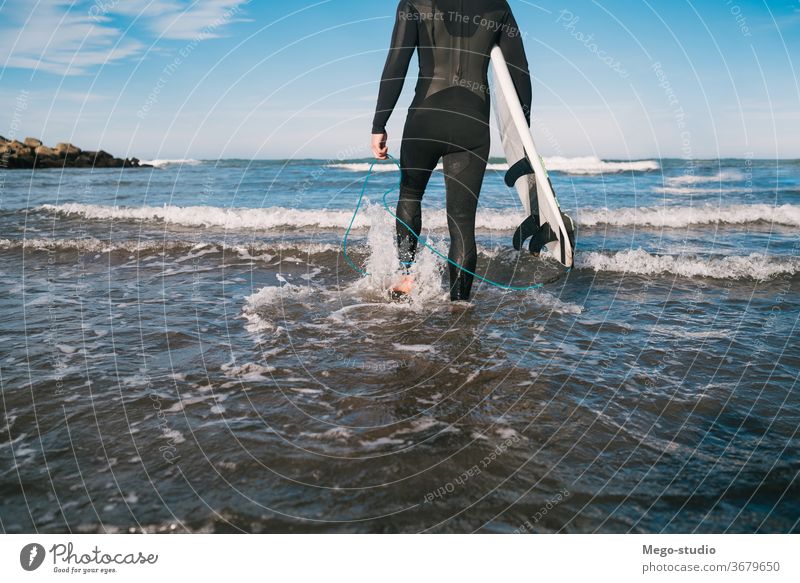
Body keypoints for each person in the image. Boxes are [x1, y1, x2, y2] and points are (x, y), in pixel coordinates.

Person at [371, 0, 532, 301]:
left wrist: (379, 122)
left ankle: (406, 276)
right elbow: (519, 71)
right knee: (462, 222)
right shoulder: (498, 6)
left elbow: (397, 62)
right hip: (472, 126)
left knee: (409, 195)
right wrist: (526, 130)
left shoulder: (413, 2)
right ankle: (459, 307)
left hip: (424, 120)